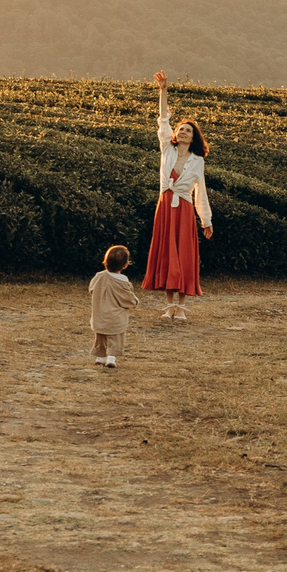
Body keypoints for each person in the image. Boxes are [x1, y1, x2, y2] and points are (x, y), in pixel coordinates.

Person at [143, 73, 213, 320]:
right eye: (181, 129)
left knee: (182, 254)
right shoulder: (167, 149)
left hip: (183, 208)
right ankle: (169, 305)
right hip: (164, 207)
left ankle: (181, 308)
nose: (182, 132)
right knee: (166, 253)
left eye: (187, 131)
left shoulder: (197, 161)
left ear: (193, 138)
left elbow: (200, 191)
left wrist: (206, 220)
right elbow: (163, 120)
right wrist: (163, 91)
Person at [88, 244, 139, 367]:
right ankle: (111, 357)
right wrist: (135, 301)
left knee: (100, 336)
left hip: (99, 315)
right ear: (125, 264)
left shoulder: (99, 276)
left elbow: (91, 289)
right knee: (116, 337)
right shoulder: (122, 280)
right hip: (115, 317)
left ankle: (100, 357)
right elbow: (127, 298)